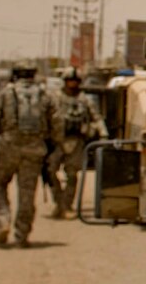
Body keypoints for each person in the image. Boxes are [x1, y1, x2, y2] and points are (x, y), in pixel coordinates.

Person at [0, 61, 62, 247]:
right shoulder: (46, 94)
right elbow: (57, 122)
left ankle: (3, 219)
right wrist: (54, 145)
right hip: (34, 150)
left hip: (8, 147)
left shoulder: (6, 93)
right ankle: (21, 235)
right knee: (27, 194)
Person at [45, 67, 108, 218]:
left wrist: (103, 133)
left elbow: (96, 117)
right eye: (69, 81)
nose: (72, 84)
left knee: (72, 175)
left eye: (75, 81)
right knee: (49, 172)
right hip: (57, 141)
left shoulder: (84, 99)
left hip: (76, 142)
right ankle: (59, 202)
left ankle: (66, 206)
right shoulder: (55, 97)